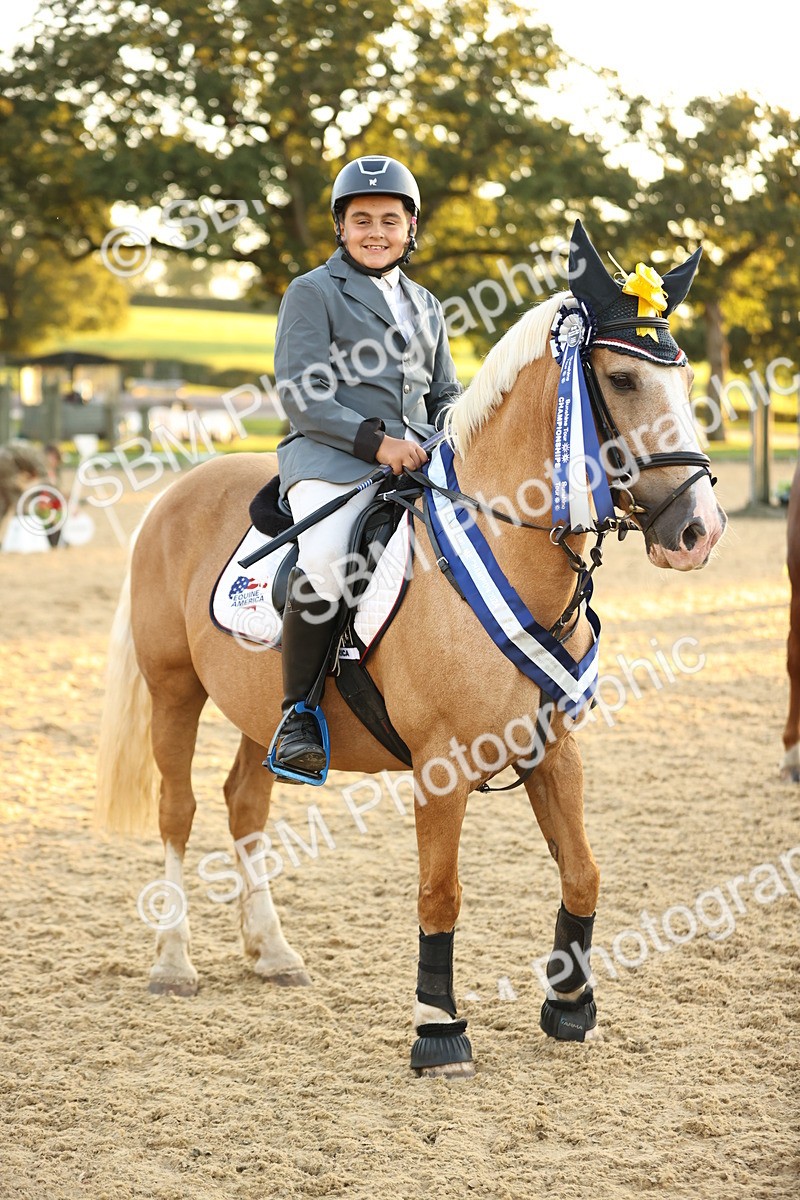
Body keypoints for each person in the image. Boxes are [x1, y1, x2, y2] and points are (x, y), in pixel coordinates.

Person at [271, 154, 461, 774]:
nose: (375, 232)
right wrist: (379, 445)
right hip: (332, 460)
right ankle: (297, 713)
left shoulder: (427, 303)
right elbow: (302, 393)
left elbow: (444, 395)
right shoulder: (312, 291)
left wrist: (446, 437)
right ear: (340, 227)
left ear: (411, 228)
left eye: (389, 219)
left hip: (416, 463)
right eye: (361, 220)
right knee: (328, 559)